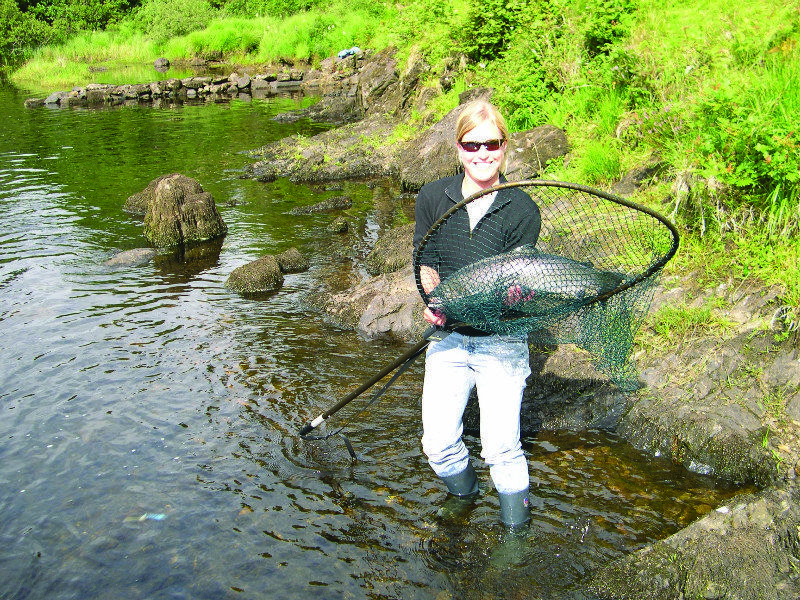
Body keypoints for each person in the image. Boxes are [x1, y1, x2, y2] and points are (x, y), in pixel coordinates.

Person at [412, 99, 541, 528]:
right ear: (458, 147)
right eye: (472, 145)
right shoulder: (433, 197)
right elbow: (426, 260)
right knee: (438, 444)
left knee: (502, 448)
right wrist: (434, 301)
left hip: (501, 340)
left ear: (506, 146)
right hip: (448, 339)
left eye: (492, 144)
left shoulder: (522, 209)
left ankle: (515, 538)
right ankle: (465, 495)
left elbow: (517, 280)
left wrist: (517, 295)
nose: (482, 154)